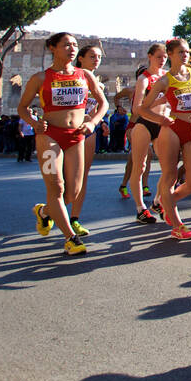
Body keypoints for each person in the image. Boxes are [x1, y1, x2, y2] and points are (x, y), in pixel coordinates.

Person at [18, 32, 109, 255]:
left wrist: (94, 123)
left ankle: (44, 212)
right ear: (53, 48)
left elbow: (103, 103)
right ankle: (71, 238)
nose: (71, 49)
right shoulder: (40, 78)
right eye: (66, 45)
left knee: (72, 193)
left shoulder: (85, 75)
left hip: (76, 136)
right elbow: (22, 107)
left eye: (74, 45)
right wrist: (33, 122)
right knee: (56, 187)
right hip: (50, 137)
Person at [140, 37, 191, 239]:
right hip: (173, 129)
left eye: (187, 52)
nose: (185, 56)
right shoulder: (164, 80)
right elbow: (143, 108)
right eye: (181, 52)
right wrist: (161, 119)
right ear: (171, 55)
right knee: (170, 177)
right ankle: (177, 225)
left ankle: (165, 203)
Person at [127, 45, 167, 222]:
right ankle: (140, 208)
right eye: (159, 56)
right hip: (145, 124)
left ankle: (158, 201)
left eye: (165, 56)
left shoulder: (168, 76)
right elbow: (137, 108)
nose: (162, 60)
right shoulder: (144, 78)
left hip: (163, 124)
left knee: (168, 168)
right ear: (150, 56)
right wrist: (162, 99)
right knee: (140, 166)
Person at [69, 43, 105, 237]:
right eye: (92, 56)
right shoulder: (71, 76)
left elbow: (99, 106)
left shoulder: (98, 83)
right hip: (68, 130)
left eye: (99, 57)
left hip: (89, 131)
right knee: (65, 178)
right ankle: (51, 210)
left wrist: (99, 121)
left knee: (82, 177)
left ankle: (74, 218)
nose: (96, 59)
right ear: (80, 58)